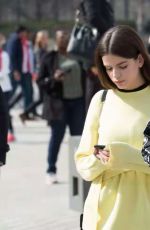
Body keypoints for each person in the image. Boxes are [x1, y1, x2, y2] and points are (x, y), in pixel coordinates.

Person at [75, 25, 150, 229]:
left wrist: (129, 157)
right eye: (108, 68)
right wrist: (100, 159)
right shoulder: (102, 100)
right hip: (102, 216)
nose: (115, 75)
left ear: (140, 60)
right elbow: (83, 164)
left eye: (122, 66)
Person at [38, 30, 85, 184]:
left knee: (78, 139)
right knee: (56, 138)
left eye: (66, 37)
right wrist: (54, 79)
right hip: (58, 105)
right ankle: (51, 170)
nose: (63, 40)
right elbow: (40, 81)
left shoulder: (79, 57)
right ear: (56, 40)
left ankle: (81, 171)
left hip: (77, 103)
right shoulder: (49, 58)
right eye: (60, 37)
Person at [19, 30, 50, 122]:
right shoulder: (39, 50)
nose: (46, 39)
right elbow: (39, 64)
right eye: (44, 37)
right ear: (41, 39)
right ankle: (25, 112)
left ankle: (28, 113)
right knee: (42, 98)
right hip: (39, 76)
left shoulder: (42, 49)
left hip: (40, 75)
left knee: (42, 98)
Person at [0, 33, 14, 142]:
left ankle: (10, 131)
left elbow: (4, 71)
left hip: (4, 87)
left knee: (5, 110)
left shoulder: (4, 55)